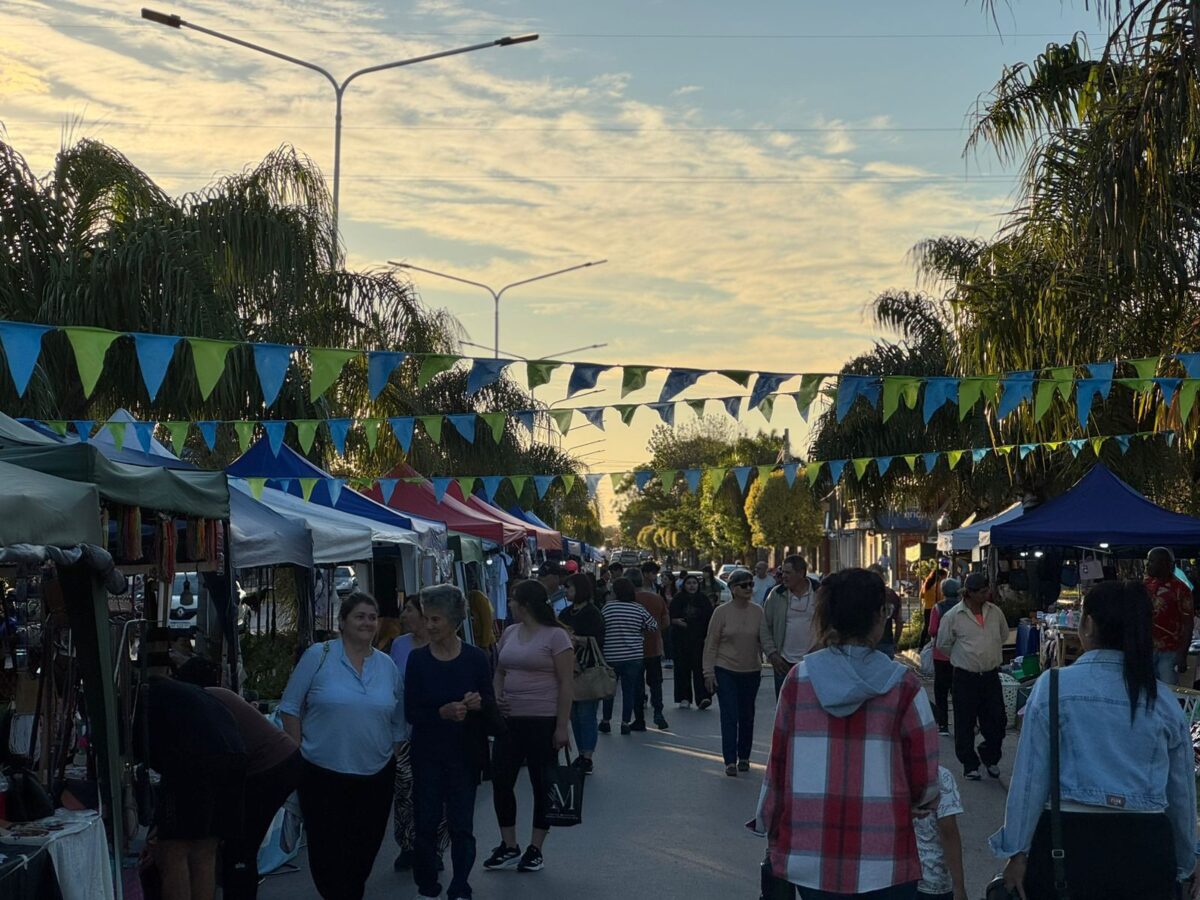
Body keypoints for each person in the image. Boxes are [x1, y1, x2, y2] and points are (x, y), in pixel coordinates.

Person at [992, 580, 1197, 899]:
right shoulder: (1164, 700)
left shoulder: (1055, 686)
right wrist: (1186, 863)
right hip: (1147, 849)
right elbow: (1181, 792)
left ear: (1087, 624)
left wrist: (1017, 852)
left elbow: (1030, 779)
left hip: (1068, 845)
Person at [756, 567, 939, 898]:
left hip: (812, 856)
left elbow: (778, 766)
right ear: (878, 617)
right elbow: (925, 777)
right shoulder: (903, 685)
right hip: (885, 855)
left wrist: (770, 828)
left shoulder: (799, 680)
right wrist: (914, 802)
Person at [278, 592, 406, 900]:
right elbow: (290, 707)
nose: (367, 623)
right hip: (322, 772)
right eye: (359, 616)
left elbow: (398, 718)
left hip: (375, 775)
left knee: (364, 852)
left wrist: (394, 752)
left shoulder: (387, 666)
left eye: (372, 617)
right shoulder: (319, 655)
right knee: (327, 853)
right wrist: (297, 754)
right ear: (342, 622)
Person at [174, 658, 301, 900]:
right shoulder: (215, 695)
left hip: (269, 768)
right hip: (278, 763)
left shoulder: (204, 701)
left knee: (240, 844)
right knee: (239, 842)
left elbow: (223, 753)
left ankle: (239, 889)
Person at [404, 585, 496, 900]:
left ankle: (461, 884)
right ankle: (427, 882)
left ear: (454, 621)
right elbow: (411, 711)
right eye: (426, 618)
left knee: (462, 826)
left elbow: (490, 705)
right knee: (426, 823)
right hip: (427, 753)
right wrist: (441, 712)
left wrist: (478, 703)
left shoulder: (475, 659)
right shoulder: (418, 660)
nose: (428, 625)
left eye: (435, 619)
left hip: (464, 755)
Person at [485, 580, 574, 874]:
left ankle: (536, 847)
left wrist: (561, 727)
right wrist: (497, 696)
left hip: (542, 719)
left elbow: (566, 684)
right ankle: (508, 844)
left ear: (525, 605)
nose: (508, 604)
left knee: (541, 784)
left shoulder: (557, 637)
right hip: (510, 720)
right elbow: (499, 670)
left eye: (512, 600)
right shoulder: (510, 633)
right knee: (501, 780)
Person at [138, 675, 247, 900]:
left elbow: (146, 754)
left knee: (173, 851)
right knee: (205, 849)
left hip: (194, 759)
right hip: (233, 755)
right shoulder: (185, 692)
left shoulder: (142, 700)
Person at [388, 595, 449, 872]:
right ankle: (408, 845)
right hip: (403, 732)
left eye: (408, 610)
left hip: (438, 731)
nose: (403, 615)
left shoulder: (444, 645)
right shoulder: (399, 646)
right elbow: (392, 687)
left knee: (435, 793)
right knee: (404, 793)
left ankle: (434, 848)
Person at [935, 572, 1009, 781]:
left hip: (990, 675)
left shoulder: (995, 612)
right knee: (964, 723)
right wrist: (962, 657)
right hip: (965, 676)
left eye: (988, 590)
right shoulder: (953, 616)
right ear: (971, 593)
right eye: (983, 591)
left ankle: (990, 754)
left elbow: (1003, 635)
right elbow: (943, 644)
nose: (988, 594)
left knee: (997, 721)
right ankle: (969, 763)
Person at [702, 568, 764, 776]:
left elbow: (764, 640)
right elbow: (711, 643)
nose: (749, 588)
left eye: (751, 584)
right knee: (730, 715)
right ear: (733, 589)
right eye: (743, 585)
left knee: (747, 715)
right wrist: (708, 672)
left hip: (751, 670)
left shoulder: (758, 611)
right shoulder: (721, 612)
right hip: (725, 668)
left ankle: (744, 756)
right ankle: (730, 760)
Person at [600, 577, 659, 735]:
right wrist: (639, 631)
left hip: (611, 655)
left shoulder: (608, 608)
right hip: (633, 656)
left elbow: (601, 626)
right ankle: (625, 722)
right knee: (629, 691)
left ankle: (606, 721)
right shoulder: (638, 608)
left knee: (609, 690)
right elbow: (653, 625)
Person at [559, 572, 605, 774]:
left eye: (569, 588)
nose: (566, 591)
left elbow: (598, 640)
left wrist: (576, 639)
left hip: (587, 669)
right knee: (574, 715)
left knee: (586, 714)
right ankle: (581, 752)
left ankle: (587, 756)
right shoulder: (566, 613)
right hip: (568, 669)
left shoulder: (593, 613)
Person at [760, 554, 817, 697]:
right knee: (785, 710)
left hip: (814, 662)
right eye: (782, 572)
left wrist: (822, 647)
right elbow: (765, 626)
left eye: (788, 573)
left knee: (812, 709)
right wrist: (772, 654)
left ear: (801, 573)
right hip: (783, 663)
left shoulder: (820, 592)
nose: (783, 576)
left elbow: (831, 625)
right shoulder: (776, 594)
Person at [914, 766, 967, 900]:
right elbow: (948, 832)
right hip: (931, 878)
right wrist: (959, 887)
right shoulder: (940, 776)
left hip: (892, 879)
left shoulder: (885, 775)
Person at [629, 567, 671, 731]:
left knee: (637, 685)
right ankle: (658, 713)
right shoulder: (656, 598)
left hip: (634, 649)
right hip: (654, 647)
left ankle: (639, 719)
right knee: (656, 683)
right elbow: (666, 622)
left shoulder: (628, 600)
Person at [1145, 546, 1193, 686]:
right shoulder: (1145, 585)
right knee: (1148, 691)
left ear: (1164, 564)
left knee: (1169, 692)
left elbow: (1188, 623)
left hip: (1170, 651)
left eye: (1151, 561)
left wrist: (1182, 654)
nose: (1148, 564)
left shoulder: (1181, 589)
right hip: (1147, 649)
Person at [671, 573, 714, 709]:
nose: (692, 586)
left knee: (700, 670)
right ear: (684, 585)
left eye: (694, 583)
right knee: (682, 669)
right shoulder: (678, 599)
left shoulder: (703, 600)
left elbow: (710, 619)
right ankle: (684, 697)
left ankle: (703, 697)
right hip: (681, 640)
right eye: (689, 583)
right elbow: (670, 617)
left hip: (699, 640)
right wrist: (676, 622)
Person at [927, 578, 961, 737]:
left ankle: (943, 725)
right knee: (958, 690)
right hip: (960, 653)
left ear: (943, 591)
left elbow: (932, 630)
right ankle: (962, 723)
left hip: (941, 654)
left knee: (941, 690)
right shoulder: (963, 607)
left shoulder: (938, 608)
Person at [870, 564, 903, 659]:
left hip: (866, 644)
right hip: (886, 642)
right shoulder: (892, 595)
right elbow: (899, 622)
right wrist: (895, 642)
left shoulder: (862, 594)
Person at [919, 568, 945, 648]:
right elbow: (941, 597)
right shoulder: (938, 585)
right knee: (936, 627)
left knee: (926, 627)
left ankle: (921, 645)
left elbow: (921, 596)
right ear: (940, 576)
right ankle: (933, 645)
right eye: (944, 576)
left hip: (927, 607)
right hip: (936, 608)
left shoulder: (927, 583)